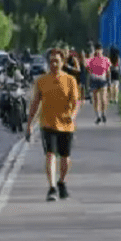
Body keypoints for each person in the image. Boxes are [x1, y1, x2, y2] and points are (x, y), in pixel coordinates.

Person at [26, 48, 81, 201]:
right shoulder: (42, 81)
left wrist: (73, 115)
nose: (54, 64)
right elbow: (35, 103)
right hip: (48, 124)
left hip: (66, 124)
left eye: (57, 61)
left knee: (65, 158)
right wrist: (30, 124)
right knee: (50, 155)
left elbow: (76, 102)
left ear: (62, 62)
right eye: (51, 61)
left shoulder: (70, 80)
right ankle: (52, 188)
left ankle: (62, 181)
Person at [85, 43, 112, 123]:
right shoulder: (91, 60)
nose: (98, 51)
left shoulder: (106, 60)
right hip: (94, 80)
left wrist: (109, 81)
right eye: (97, 50)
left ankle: (103, 113)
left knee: (103, 99)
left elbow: (108, 71)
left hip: (103, 80)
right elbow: (87, 69)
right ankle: (98, 116)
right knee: (96, 99)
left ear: (102, 50)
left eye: (100, 50)